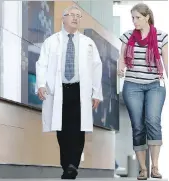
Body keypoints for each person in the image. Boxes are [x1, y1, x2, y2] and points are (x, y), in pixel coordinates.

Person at [35, 5, 103, 179]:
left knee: (78, 128)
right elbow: (41, 63)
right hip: (59, 90)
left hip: (80, 89)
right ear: (63, 18)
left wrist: (96, 93)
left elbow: (97, 67)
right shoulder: (51, 41)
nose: (75, 18)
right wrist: (41, 84)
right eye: (71, 15)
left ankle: (73, 164)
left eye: (78, 16)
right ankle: (67, 165)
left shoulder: (88, 43)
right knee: (62, 129)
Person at [117, 3, 168, 180]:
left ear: (147, 17)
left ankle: (155, 166)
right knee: (138, 126)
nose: (134, 21)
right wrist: (121, 67)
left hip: (155, 85)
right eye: (132, 18)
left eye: (137, 17)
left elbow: (167, 62)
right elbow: (121, 57)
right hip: (132, 85)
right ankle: (143, 169)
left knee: (153, 121)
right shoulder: (127, 36)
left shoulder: (161, 36)